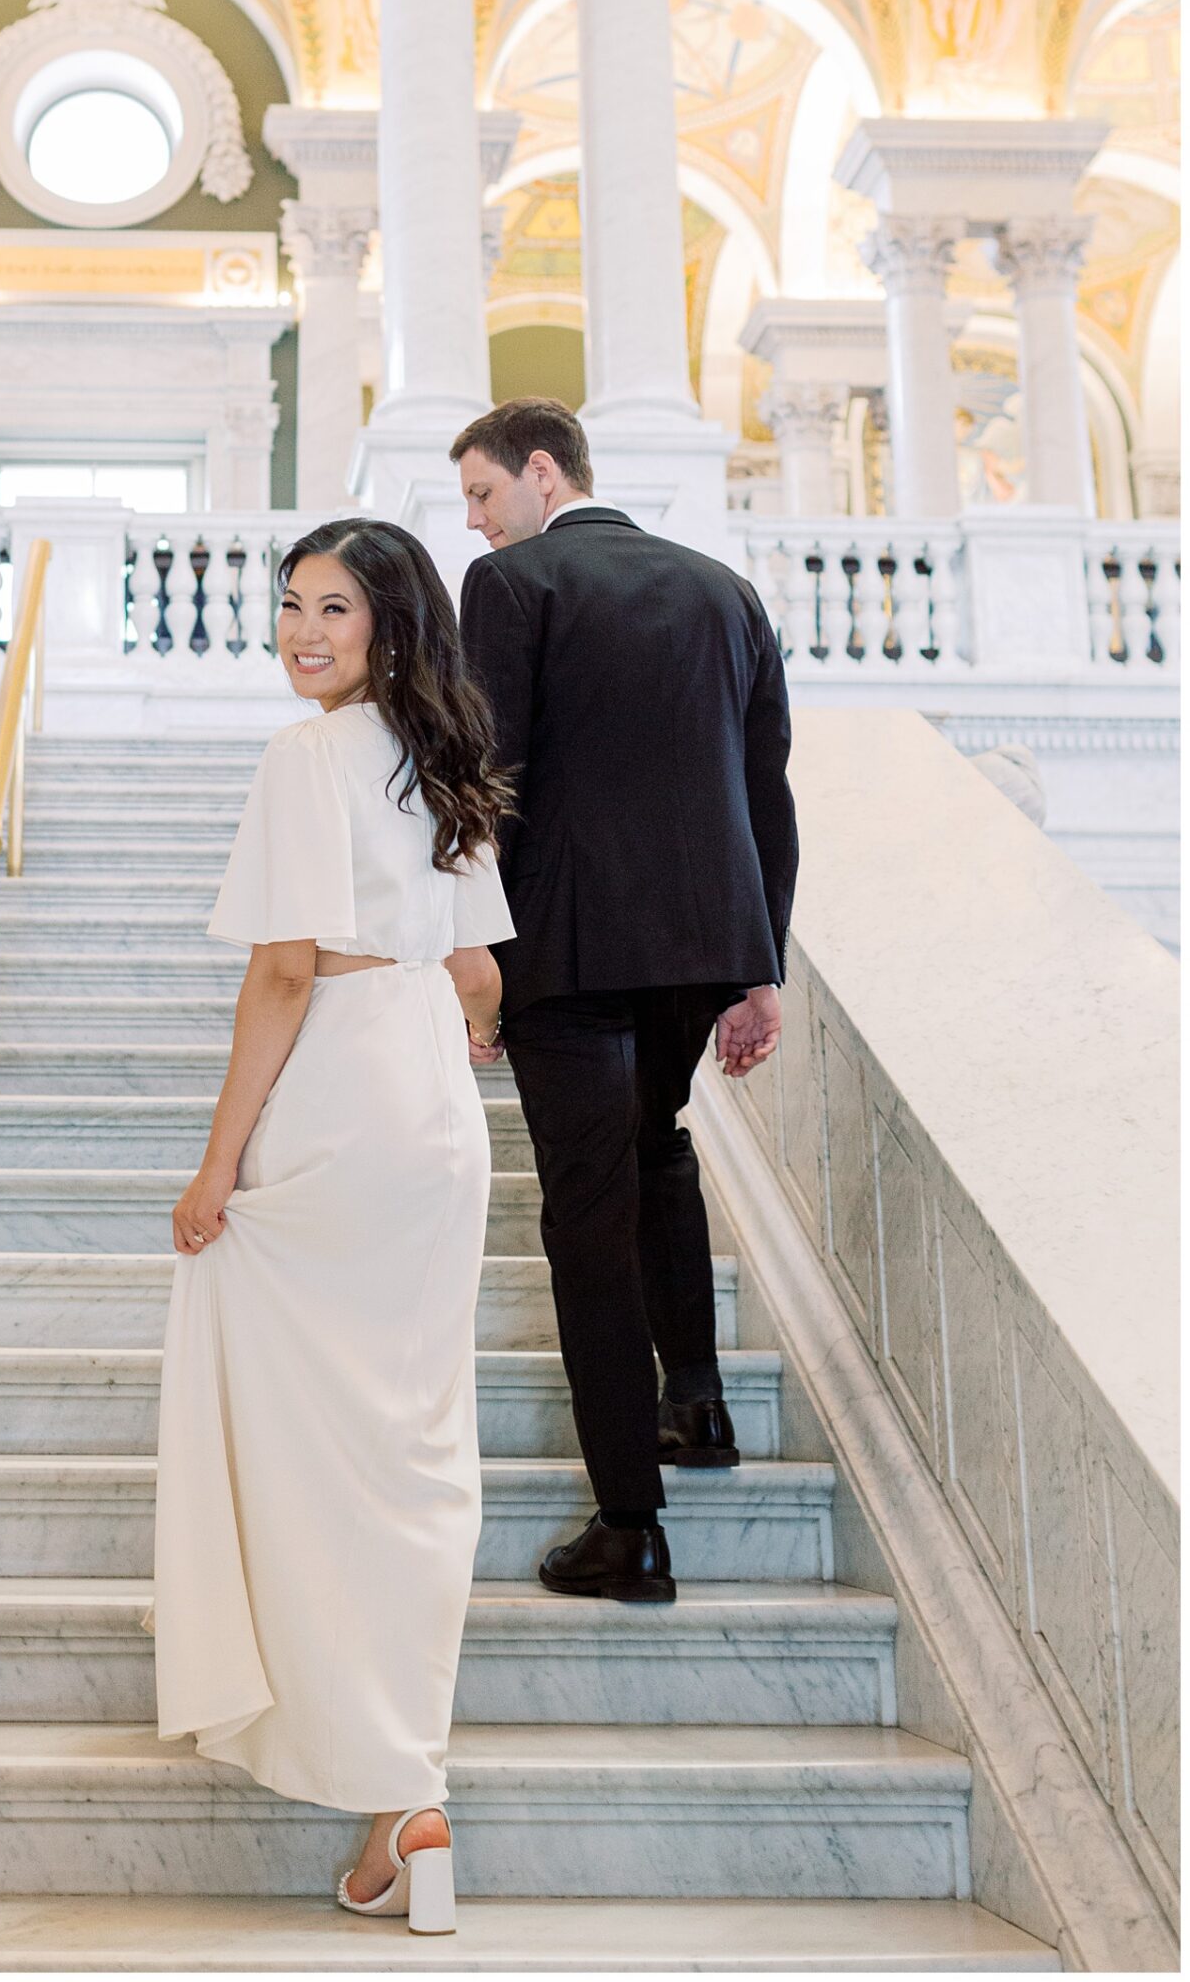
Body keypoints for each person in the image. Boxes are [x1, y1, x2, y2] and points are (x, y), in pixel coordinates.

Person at [152, 518, 514, 1934]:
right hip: (429, 1094)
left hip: (341, 1094)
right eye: (291, 606)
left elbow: (286, 978)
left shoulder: (305, 757)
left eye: (335, 610)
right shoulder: (439, 757)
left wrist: (215, 1164)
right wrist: (447, 1032)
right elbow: (479, 968)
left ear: (389, 626)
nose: (305, 633)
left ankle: (376, 1761)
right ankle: (403, 1791)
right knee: (414, 1443)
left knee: (301, 1421)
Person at [452, 398, 797, 1605]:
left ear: (541, 472)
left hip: (566, 947)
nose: (480, 526)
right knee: (654, 1147)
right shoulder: (720, 587)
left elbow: (487, 776)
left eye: (483, 497)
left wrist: (471, 951)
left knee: (583, 1208)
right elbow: (765, 788)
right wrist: (759, 965)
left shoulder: (512, 587)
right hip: (702, 942)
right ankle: (694, 1403)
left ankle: (627, 1524)